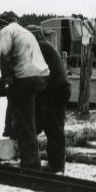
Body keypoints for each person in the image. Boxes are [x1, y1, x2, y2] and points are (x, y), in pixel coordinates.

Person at [0, 11, 49, 169]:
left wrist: (7, 79)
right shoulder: (26, 32)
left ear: (3, 22)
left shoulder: (5, 31)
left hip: (25, 79)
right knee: (28, 119)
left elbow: (4, 56)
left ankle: (30, 164)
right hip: (41, 77)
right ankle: (32, 159)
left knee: (23, 122)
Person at [26, 25, 71, 174]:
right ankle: (55, 164)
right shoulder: (44, 46)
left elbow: (38, 74)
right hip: (55, 90)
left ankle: (56, 166)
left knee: (54, 129)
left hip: (56, 90)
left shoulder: (41, 48)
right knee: (51, 127)